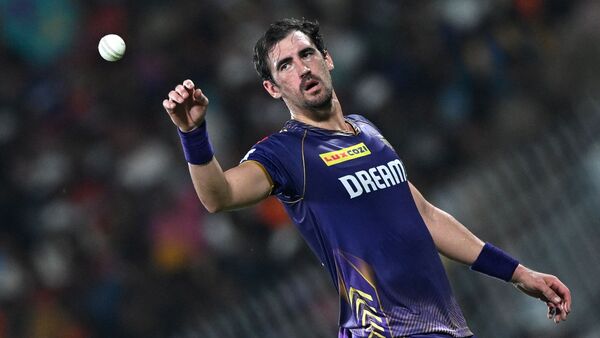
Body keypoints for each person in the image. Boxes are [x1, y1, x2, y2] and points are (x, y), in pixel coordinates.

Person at [162, 18, 571, 338]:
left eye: (307, 54)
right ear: (273, 88)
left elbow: (425, 217)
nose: (301, 68)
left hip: (441, 325)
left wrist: (518, 273)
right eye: (286, 65)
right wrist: (192, 135)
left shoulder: (366, 130)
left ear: (328, 59)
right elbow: (219, 196)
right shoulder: (286, 153)